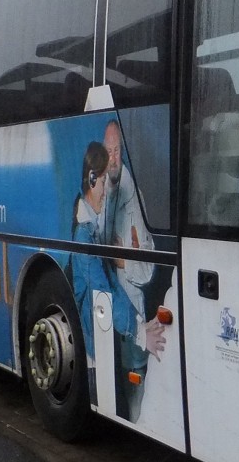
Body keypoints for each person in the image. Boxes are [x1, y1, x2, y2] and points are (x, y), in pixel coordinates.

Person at [69, 142, 161, 390]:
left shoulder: (93, 226)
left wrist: (140, 323)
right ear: (91, 180)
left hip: (100, 337)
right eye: (102, 184)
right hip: (91, 346)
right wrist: (141, 335)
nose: (106, 192)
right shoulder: (84, 236)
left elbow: (110, 282)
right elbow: (105, 293)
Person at [101, 119, 167, 422]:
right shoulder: (102, 192)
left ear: (122, 152)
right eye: (108, 151)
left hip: (131, 311)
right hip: (110, 311)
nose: (112, 157)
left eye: (116, 151)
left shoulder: (132, 197)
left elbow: (146, 270)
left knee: (134, 393)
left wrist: (125, 262)